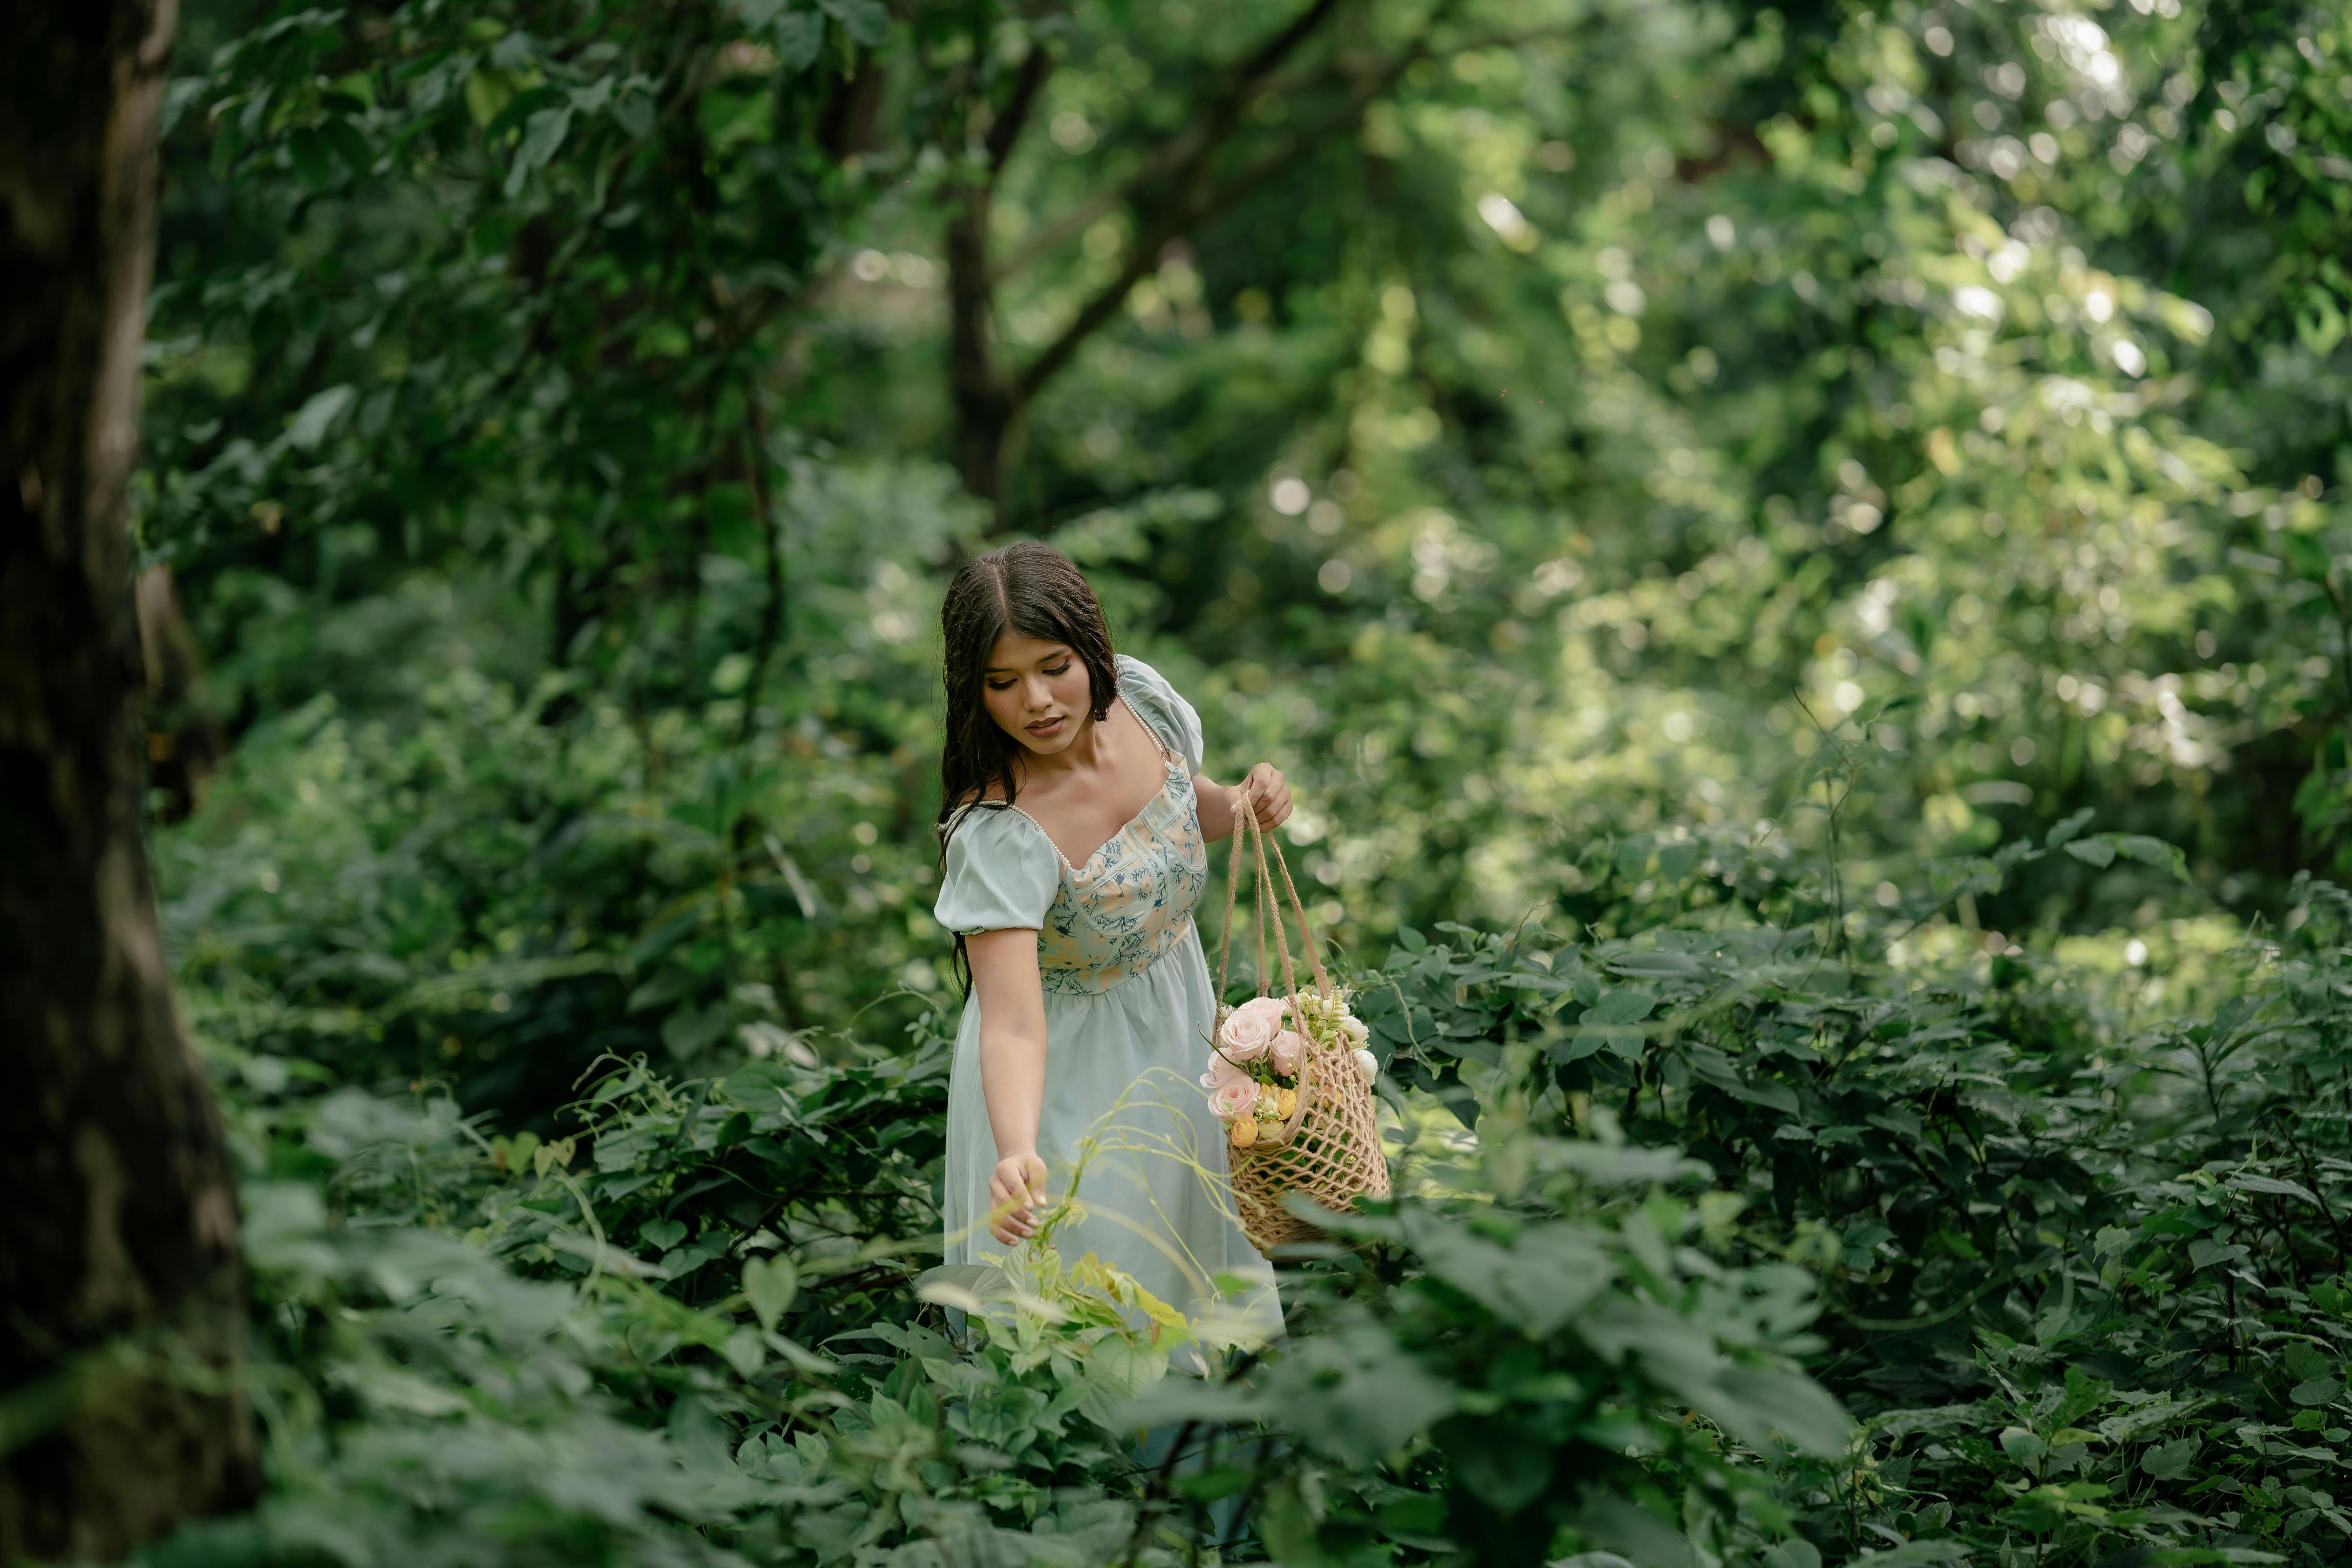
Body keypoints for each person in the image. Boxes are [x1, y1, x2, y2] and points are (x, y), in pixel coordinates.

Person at [932, 541, 1287, 1344]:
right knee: (1105, 1280)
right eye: (1002, 682)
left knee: (1201, 1251)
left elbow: (1185, 812)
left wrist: (1247, 803)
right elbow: (1011, 1023)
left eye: (1054, 667)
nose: (1037, 701)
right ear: (973, 690)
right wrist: (1016, 1148)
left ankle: (1221, 1420)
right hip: (1069, 1073)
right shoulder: (1001, 831)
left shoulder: (1141, 704)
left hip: (1179, 1024)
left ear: (1089, 649)